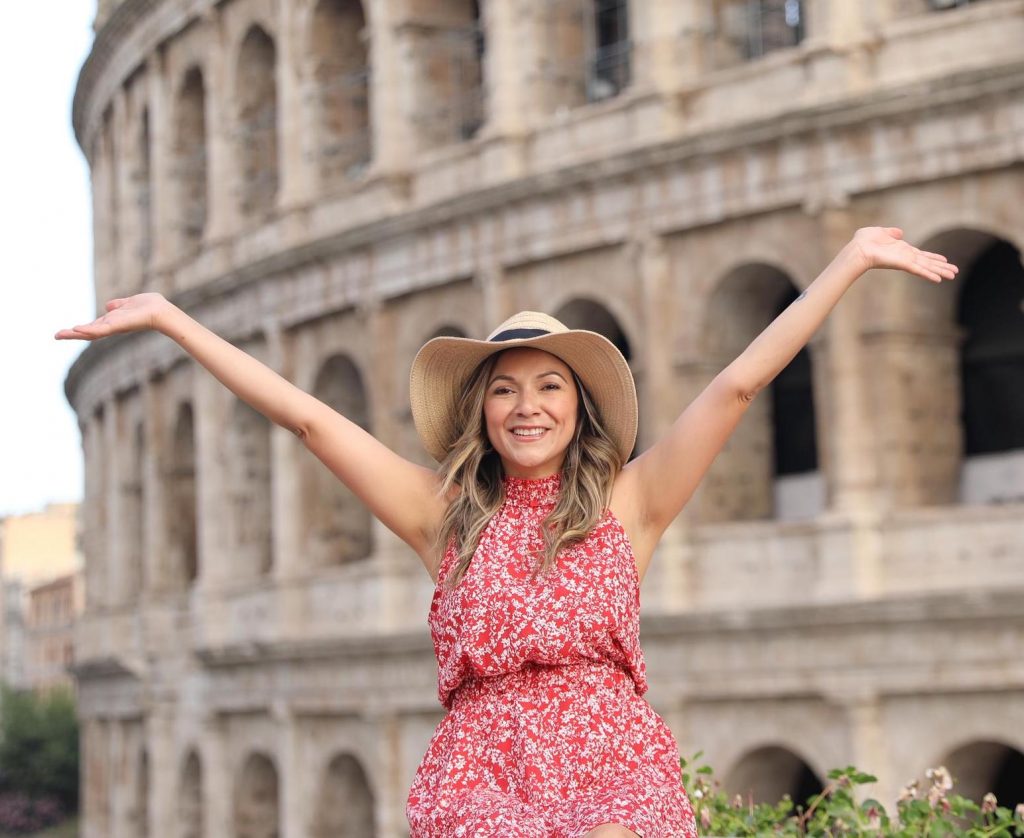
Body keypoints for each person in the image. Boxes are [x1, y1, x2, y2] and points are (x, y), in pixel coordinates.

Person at [56, 226, 957, 837]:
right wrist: (174, 322)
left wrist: (847, 262)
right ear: (481, 411)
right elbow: (310, 422)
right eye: (505, 388)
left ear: (579, 406)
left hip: (614, 759)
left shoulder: (628, 505)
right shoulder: (441, 520)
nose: (528, 407)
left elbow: (734, 389)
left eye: (549, 386)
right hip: (484, 768)